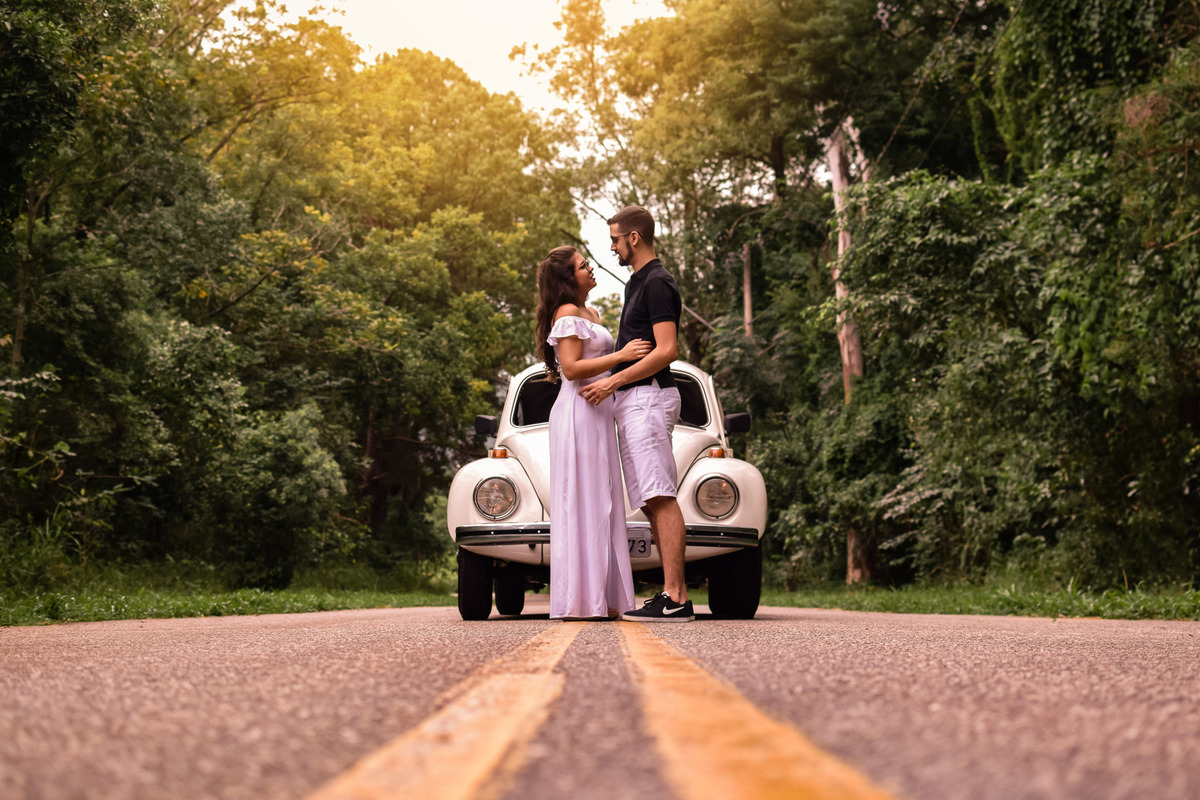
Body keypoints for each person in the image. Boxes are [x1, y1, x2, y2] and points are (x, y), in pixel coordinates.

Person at [580, 206, 693, 622]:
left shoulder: (658, 282)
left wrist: (613, 381)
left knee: (660, 495)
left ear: (634, 237)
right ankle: (672, 592)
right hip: (633, 402)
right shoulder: (636, 283)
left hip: (649, 398)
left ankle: (676, 597)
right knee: (649, 500)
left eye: (615, 239)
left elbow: (667, 350)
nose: (612, 247)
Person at [536, 246, 652, 620]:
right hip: (577, 413)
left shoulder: (592, 314)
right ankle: (580, 599)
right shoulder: (566, 313)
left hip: (601, 413)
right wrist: (622, 356)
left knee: (604, 499)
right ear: (568, 278)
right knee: (582, 499)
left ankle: (602, 595)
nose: (590, 268)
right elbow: (571, 369)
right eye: (582, 266)